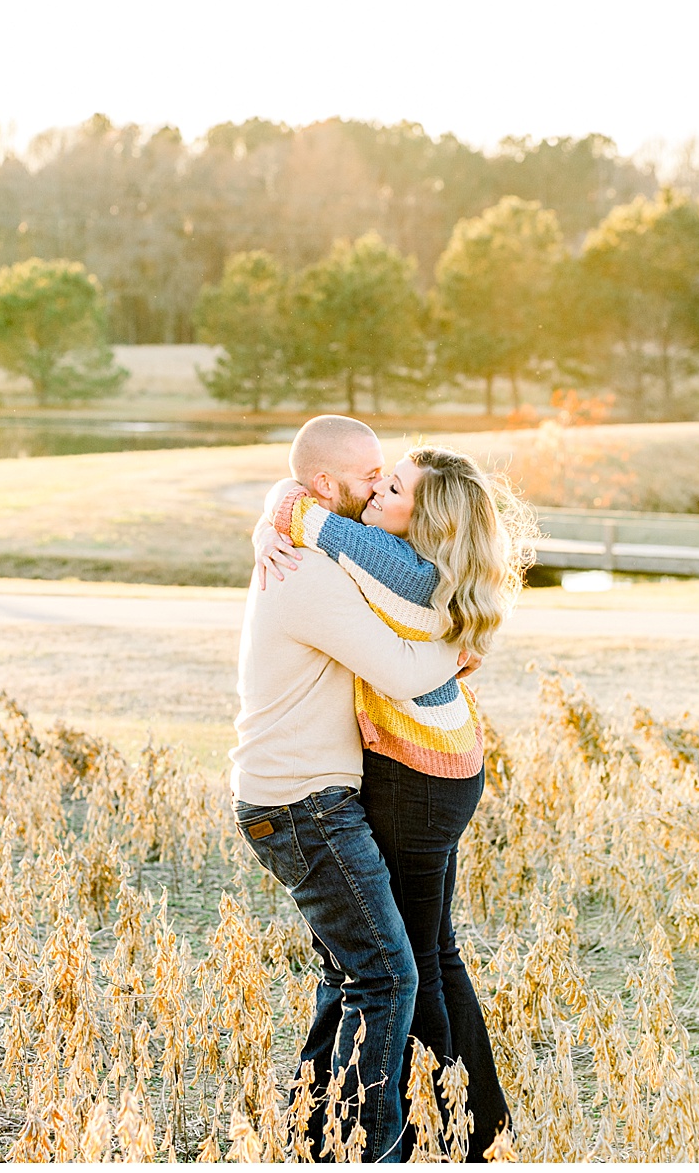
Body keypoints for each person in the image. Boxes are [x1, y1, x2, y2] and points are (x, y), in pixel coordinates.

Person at [254, 443, 530, 1160]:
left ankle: (450, 1132)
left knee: (407, 966)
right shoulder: (433, 568)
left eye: (393, 485)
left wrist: (278, 515)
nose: (377, 490)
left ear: (423, 515)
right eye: (378, 477)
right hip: (445, 766)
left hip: (415, 777)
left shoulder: (400, 570)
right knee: (432, 951)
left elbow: (309, 515)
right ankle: (478, 1125)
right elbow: (297, 507)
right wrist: (270, 520)